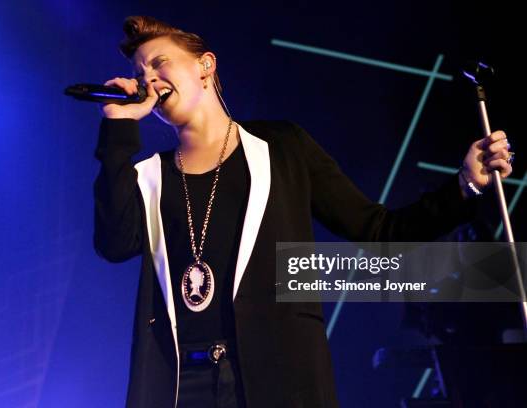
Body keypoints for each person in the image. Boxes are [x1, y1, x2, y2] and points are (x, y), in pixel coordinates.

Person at [93, 15, 514, 408]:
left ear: (205, 65)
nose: (148, 78)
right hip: (182, 386)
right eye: (139, 73)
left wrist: (465, 184)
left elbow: (380, 230)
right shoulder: (148, 176)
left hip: (277, 382)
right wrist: (117, 128)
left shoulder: (283, 148)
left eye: (159, 63)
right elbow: (113, 244)